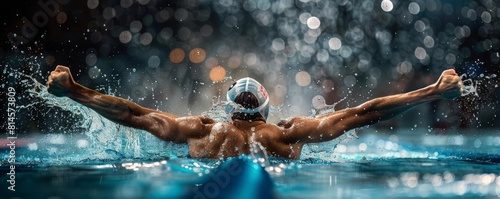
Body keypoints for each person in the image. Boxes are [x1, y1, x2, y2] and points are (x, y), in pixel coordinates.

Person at [46, 65, 463, 159]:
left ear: (226, 107)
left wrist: (74, 90)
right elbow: (366, 113)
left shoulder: (200, 131)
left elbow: (133, 115)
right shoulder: (287, 133)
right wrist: (432, 92)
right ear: (267, 107)